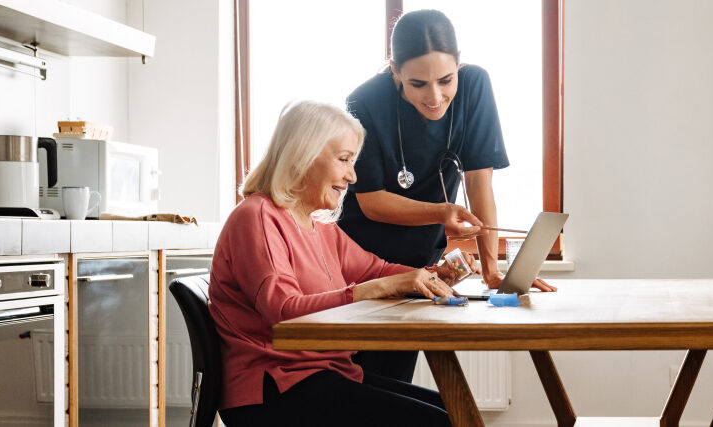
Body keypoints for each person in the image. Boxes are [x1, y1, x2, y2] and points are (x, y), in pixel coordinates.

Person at [208, 101, 475, 426]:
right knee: (442, 422)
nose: (352, 175)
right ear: (302, 155)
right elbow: (282, 312)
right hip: (274, 388)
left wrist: (434, 276)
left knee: (457, 411)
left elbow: (376, 271)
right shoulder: (257, 217)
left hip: (322, 374)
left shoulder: (319, 226)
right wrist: (380, 287)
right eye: (344, 160)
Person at [341, 9, 555, 382]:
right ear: (395, 71)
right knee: (372, 381)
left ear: (459, 65)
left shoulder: (475, 86)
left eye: (445, 79)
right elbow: (371, 202)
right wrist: (442, 212)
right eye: (417, 84)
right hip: (365, 261)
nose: (435, 97)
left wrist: (491, 269)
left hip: (423, 262)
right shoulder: (364, 102)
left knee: (398, 382)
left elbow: (478, 181)